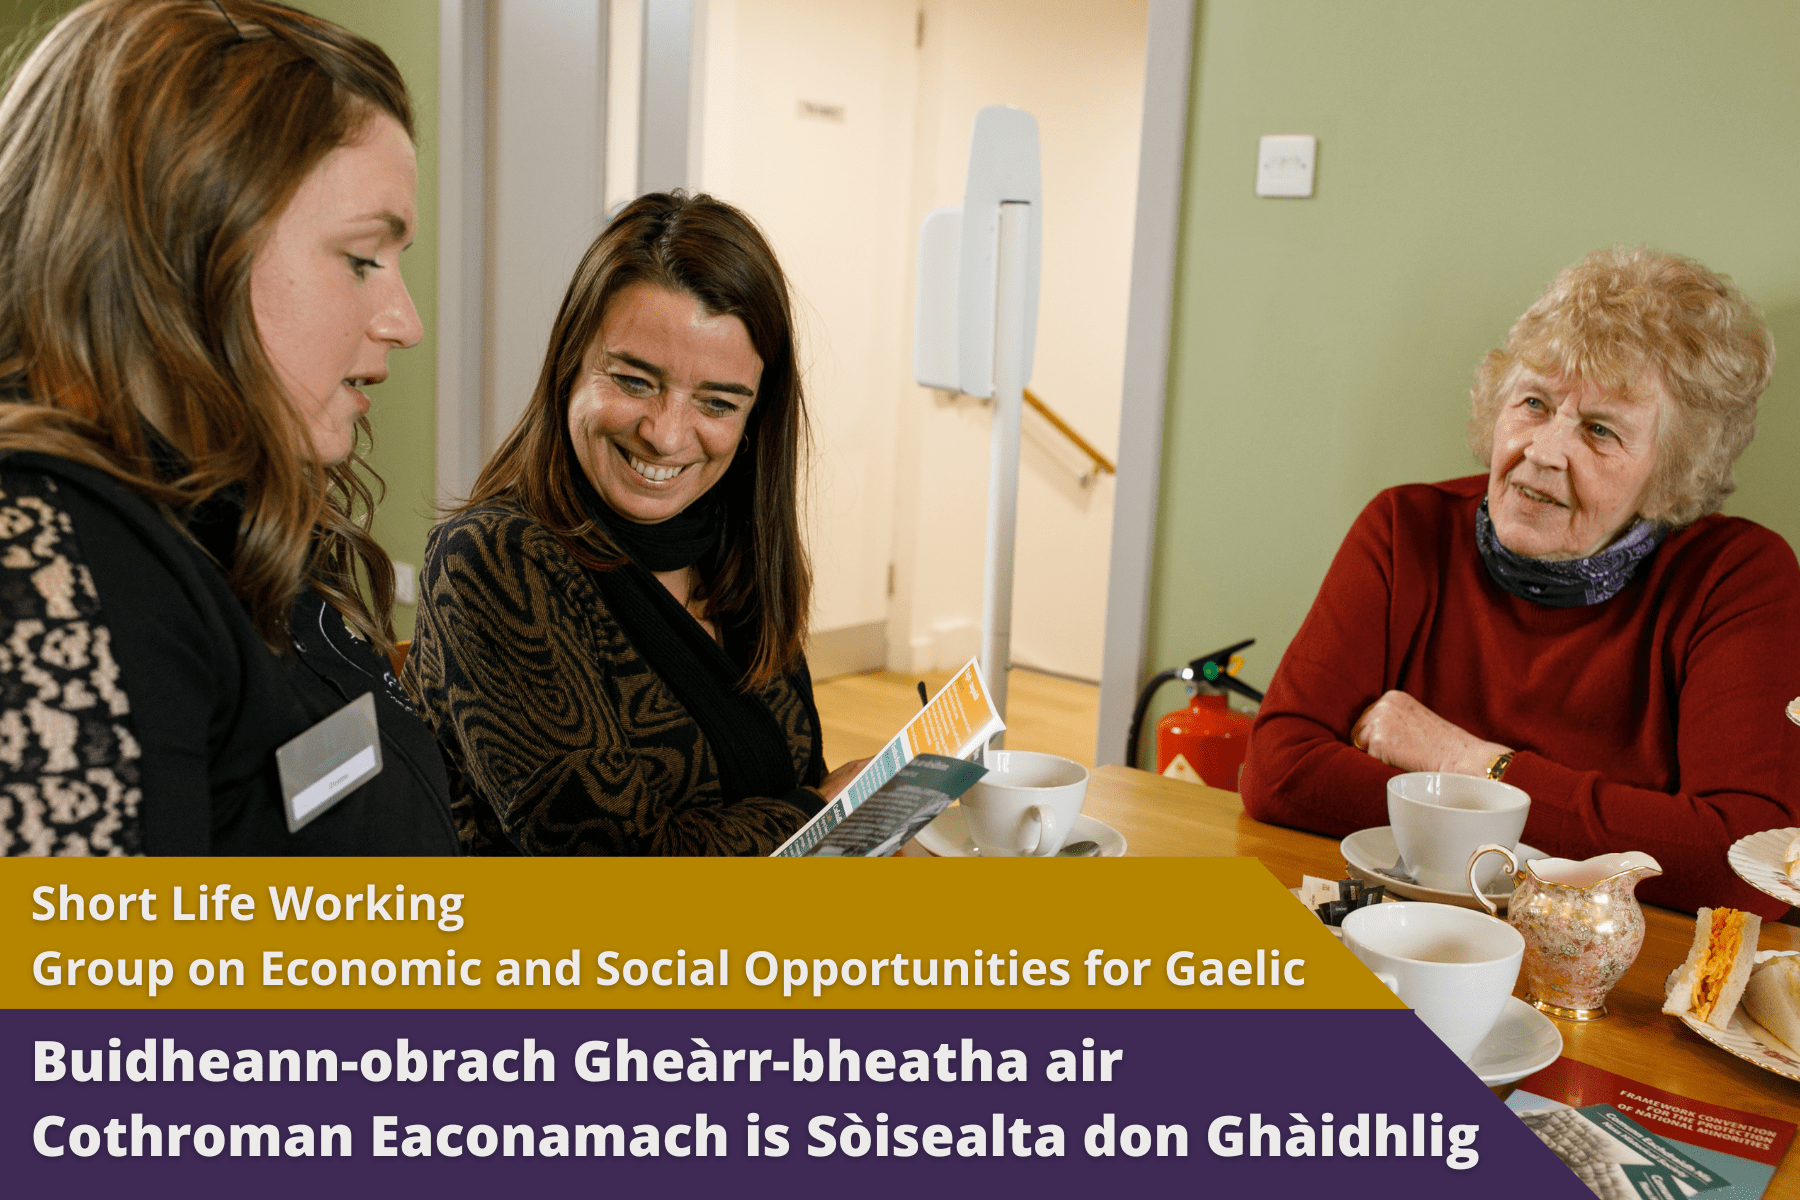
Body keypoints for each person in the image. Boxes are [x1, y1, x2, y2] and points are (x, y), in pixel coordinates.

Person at [0, 0, 457, 855]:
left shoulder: (245, 512)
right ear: (181, 245)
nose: (404, 320)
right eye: (363, 258)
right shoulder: (46, 571)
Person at [1240, 247, 1800, 916]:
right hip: (1407, 934)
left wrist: (1463, 760)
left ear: (1675, 465)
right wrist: (1611, 826)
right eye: (1534, 403)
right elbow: (1281, 773)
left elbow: (1741, 863)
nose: (1542, 451)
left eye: (1599, 430)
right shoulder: (1403, 530)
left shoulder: (1737, 578)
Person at [406, 192, 867, 855]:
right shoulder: (491, 560)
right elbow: (606, 866)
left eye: (716, 401)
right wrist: (819, 811)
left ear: (754, 421)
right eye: (635, 381)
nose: (666, 434)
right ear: (569, 364)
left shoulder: (735, 546)